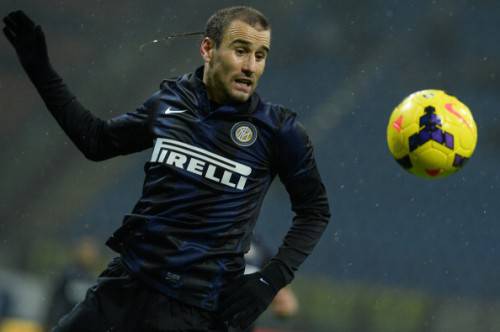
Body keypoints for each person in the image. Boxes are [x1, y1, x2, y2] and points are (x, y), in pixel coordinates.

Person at [3, 6, 330, 332]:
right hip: (124, 286)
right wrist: (39, 67)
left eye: (260, 55)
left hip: (194, 310)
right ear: (208, 48)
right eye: (241, 51)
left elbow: (314, 211)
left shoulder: (279, 130)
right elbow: (96, 142)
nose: (250, 66)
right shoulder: (170, 101)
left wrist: (270, 280)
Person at [43, 237, 100, 331]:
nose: (89, 255)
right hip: (62, 322)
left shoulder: (90, 279)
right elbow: (55, 300)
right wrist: (49, 322)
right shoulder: (68, 274)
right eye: (86, 251)